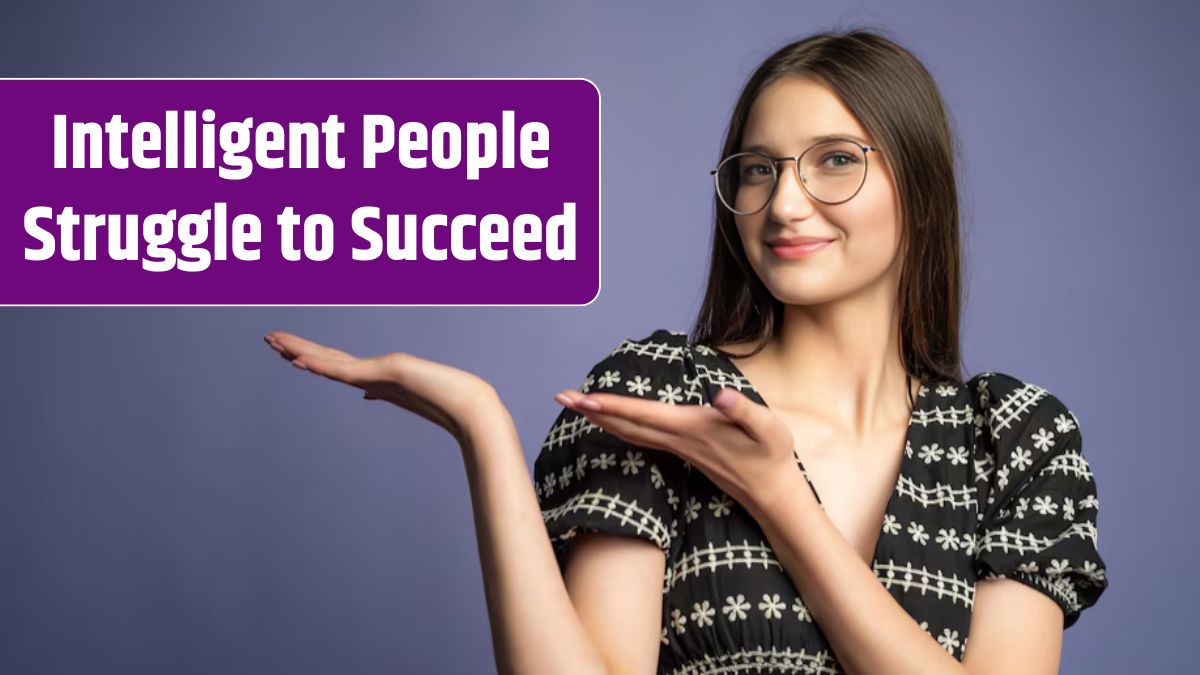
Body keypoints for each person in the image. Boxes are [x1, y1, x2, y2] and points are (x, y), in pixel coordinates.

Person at [263, 27, 1108, 675]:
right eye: (757, 170)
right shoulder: (663, 393)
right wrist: (483, 427)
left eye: (836, 162)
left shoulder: (1014, 436)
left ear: (920, 187)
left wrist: (778, 496)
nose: (784, 205)